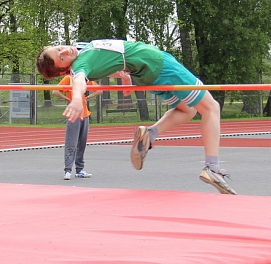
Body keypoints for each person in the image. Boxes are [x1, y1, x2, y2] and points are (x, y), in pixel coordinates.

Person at [36, 39, 236, 194]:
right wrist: (77, 98)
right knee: (211, 108)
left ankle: (150, 133)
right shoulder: (81, 64)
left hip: (146, 72)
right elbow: (79, 79)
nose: (65, 51)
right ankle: (212, 167)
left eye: (58, 47)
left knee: (187, 110)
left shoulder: (80, 49)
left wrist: (125, 76)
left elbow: (108, 59)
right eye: (61, 57)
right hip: (159, 64)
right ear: (65, 68)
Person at [55, 74, 99, 180]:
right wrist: (67, 99)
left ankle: (79, 169)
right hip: (73, 115)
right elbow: (55, 91)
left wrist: (87, 97)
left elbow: (99, 90)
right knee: (71, 143)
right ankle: (68, 170)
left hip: (85, 115)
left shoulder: (85, 78)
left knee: (82, 144)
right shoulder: (68, 79)